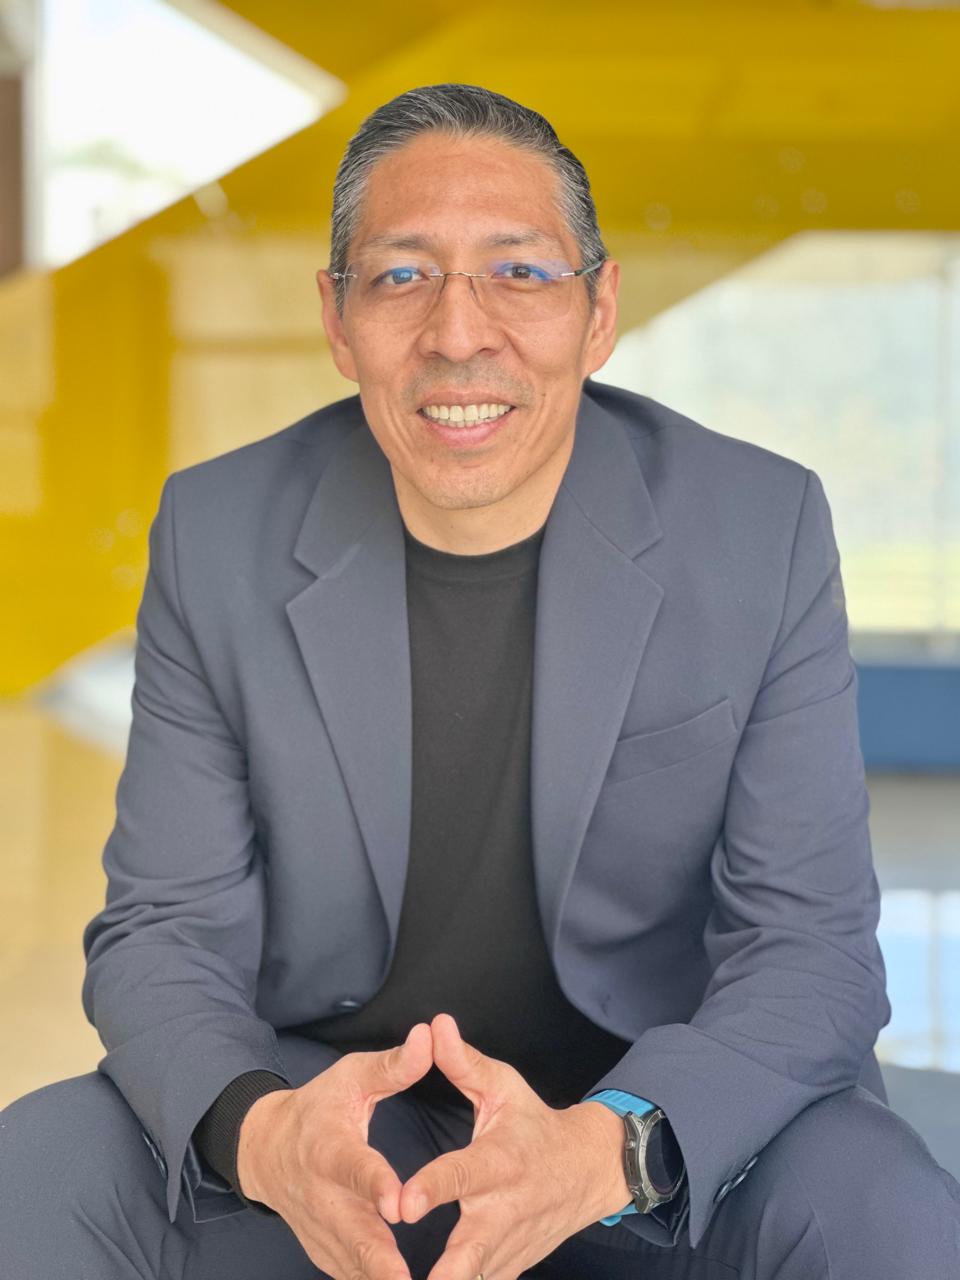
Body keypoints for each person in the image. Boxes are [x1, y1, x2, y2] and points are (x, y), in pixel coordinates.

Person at [1, 82, 958, 1280]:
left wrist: (612, 1147)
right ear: (338, 318)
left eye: (520, 272)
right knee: (39, 1167)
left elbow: (811, 948)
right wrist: (266, 1133)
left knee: (880, 1207)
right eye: (402, 275)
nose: (459, 333)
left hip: (656, 1126)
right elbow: (163, 930)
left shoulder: (759, 528)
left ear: (599, 310)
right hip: (345, 1120)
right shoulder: (218, 533)